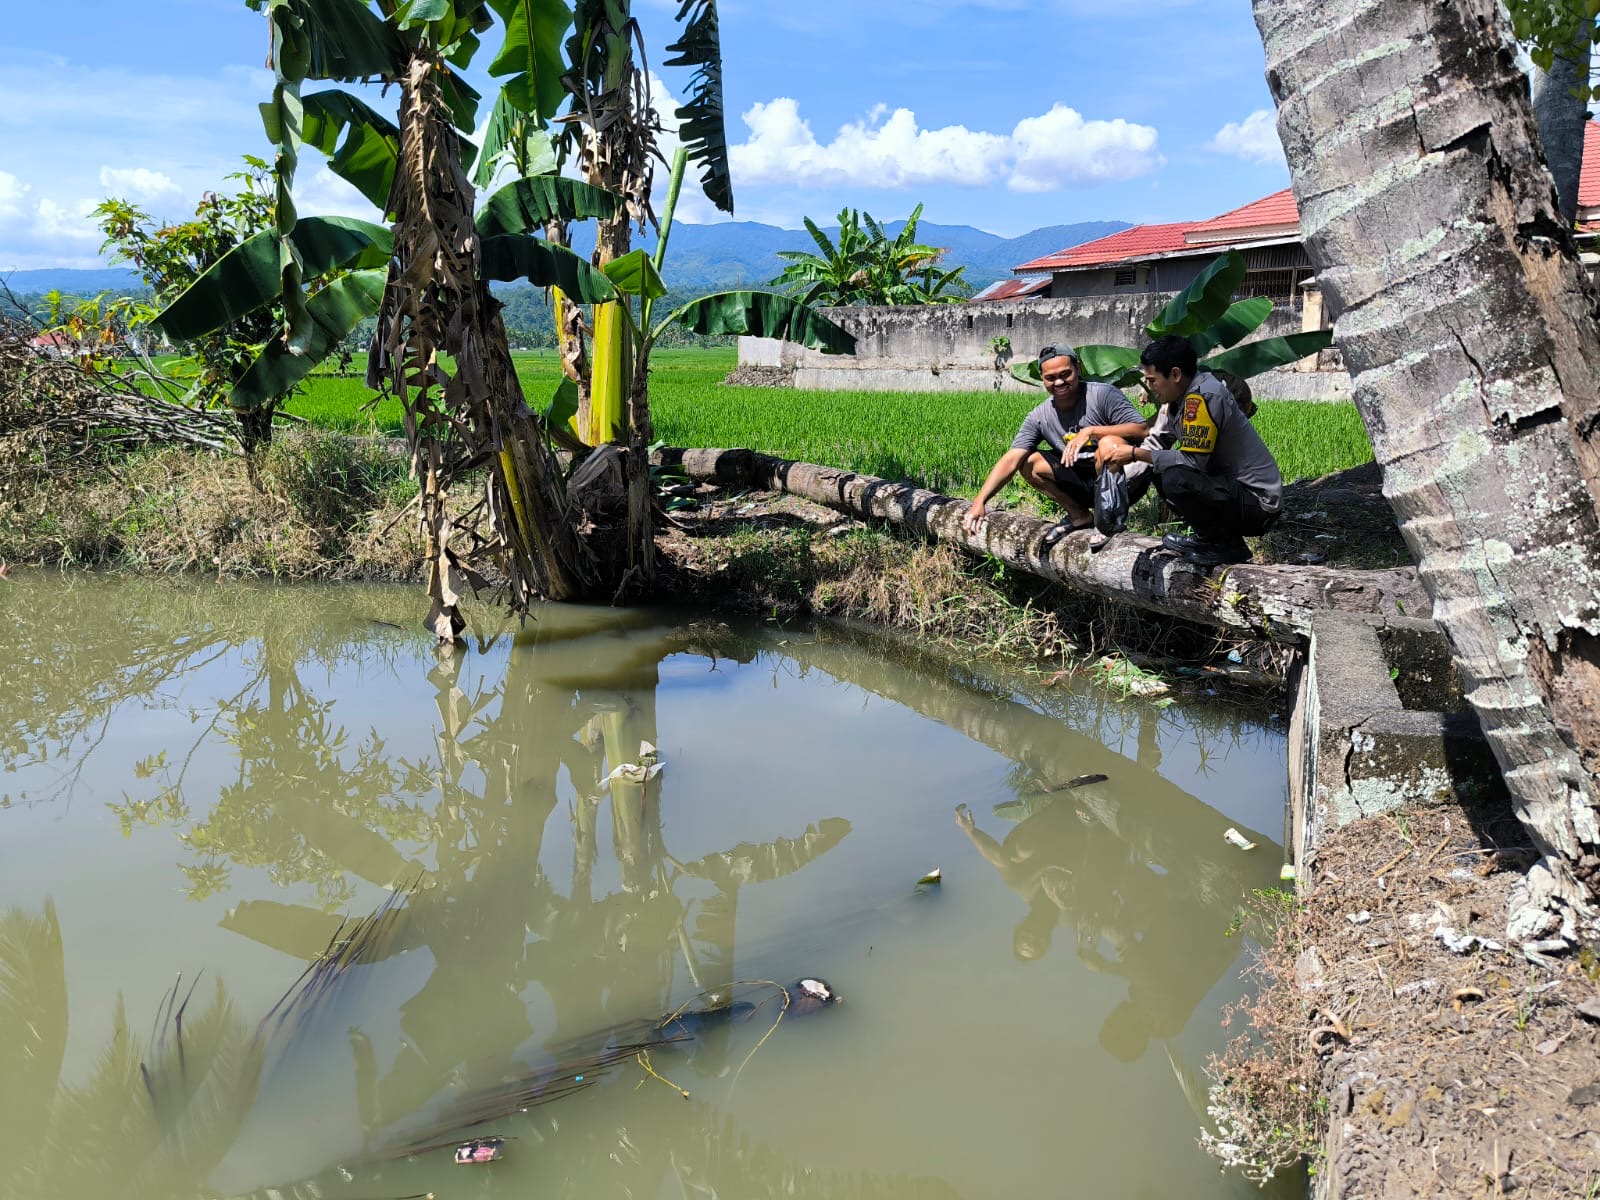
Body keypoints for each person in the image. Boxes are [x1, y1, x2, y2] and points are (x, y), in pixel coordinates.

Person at [1094, 334, 1282, 566]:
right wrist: (1117, 484)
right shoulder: (1174, 401)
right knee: (1160, 469)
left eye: (1153, 380)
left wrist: (1133, 453)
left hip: (1257, 504)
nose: (1150, 388)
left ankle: (1224, 545)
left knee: (1175, 477)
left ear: (1175, 374)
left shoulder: (1203, 397)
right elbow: (1155, 444)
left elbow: (1193, 461)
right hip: (1228, 491)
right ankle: (1211, 538)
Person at [962, 344, 1149, 537]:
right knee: (1028, 462)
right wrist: (979, 502)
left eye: (1065, 374)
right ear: (1042, 378)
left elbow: (1142, 430)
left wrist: (1091, 432)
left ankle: (1110, 522)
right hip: (1082, 483)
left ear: (1078, 369)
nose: (1059, 382)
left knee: (1109, 443)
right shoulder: (1040, 416)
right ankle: (1079, 515)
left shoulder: (1102, 394)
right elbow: (1011, 458)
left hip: (1123, 481)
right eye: (1050, 378)